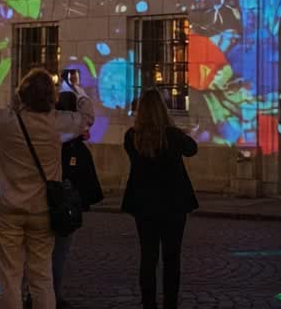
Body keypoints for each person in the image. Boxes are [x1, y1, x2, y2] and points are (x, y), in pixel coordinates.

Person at [0, 50, 94, 309]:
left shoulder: (7, 121)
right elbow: (87, 117)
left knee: (10, 277)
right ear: (51, 98)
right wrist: (78, 89)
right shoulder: (56, 123)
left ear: (21, 94)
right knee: (42, 278)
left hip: (7, 208)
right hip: (43, 209)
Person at [121, 89, 199, 309]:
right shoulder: (172, 135)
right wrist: (175, 129)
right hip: (173, 203)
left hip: (144, 204)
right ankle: (170, 303)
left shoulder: (131, 137)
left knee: (148, 256)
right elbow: (192, 148)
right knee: (172, 257)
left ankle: (148, 303)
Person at [53, 89, 103, 309]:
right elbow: (86, 179)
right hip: (64, 203)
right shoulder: (74, 141)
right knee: (59, 252)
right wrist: (82, 93)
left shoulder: (43, 129)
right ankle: (51, 294)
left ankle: (34, 292)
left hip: (39, 197)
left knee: (38, 251)